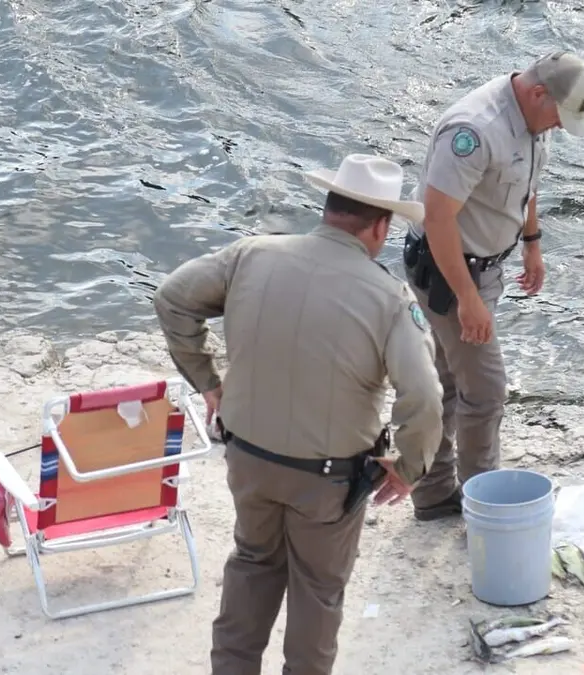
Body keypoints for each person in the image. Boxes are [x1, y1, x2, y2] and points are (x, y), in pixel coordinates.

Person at [153, 153, 444, 675]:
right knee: (317, 592)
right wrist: (408, 467)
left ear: (329, 207)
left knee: (252, 564)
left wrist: (209, 382)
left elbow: (173, 298)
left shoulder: (250, 255)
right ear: (381, 226)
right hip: (326, 480)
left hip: (248, 459)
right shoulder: (387, 297)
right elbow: (424, 397)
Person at [402, 51, 584, 521]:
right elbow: (438, 217)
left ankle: (431, 494)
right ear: (537, 93)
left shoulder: (530, 119)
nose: (556, 127)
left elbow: (526, 183)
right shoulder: (473, 131)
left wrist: (532, 242)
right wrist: (468, 299)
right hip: (448, 273)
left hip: (484, 268)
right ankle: (481, 504)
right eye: (556, 116)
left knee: (447, 382)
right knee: (486, 392)